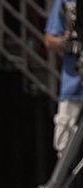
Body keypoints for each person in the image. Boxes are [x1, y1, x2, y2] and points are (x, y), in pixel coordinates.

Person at [45, 1, 83, 158]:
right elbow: (49, 39)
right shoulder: (65, 2)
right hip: (73, 85)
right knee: (64, 143)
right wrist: (66, 44)